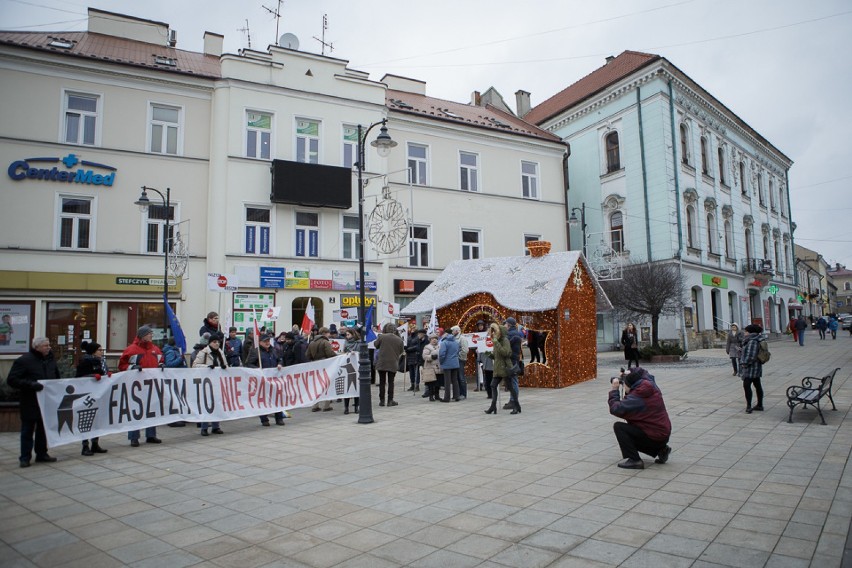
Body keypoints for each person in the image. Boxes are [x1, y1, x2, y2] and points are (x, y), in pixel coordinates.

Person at [8, 337, 59, 467]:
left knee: (43, 429)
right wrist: (31, 384)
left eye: (49, 345)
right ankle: (25, 457)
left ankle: (42, 454)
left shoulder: (50, 360)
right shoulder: (24, 361)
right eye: (45, 346)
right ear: (37, 347)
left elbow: (57, 377)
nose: (48, 347)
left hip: (46, 400)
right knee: (27, 430)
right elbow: (12, 380)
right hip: (30, 401)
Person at [608, 367, 672, 469]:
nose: (624, 386)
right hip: (662, 434)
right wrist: (629, 372)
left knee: (619, 427)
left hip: (655, 436)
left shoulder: (638, 396)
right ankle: (661, 449)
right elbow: (642, 371)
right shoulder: (648, 383)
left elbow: (616, 409)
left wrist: (615, 390)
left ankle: (635, 460)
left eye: (624, 385)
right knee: (634, 426)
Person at [118, 326, 163, 447]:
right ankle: (134, 437)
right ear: (142, 335)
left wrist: (162, 365)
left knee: (151, 410)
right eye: (149, 334)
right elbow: (122, 365)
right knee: (135, 411)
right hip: (136, 386)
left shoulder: (155, 349)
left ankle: (151, 435)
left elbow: (161, 360)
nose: (151, 336)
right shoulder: (131, 350)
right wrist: (132, 367)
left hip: (152, 384)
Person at [75, 341, 109, 456]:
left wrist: (106, 375)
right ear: (93, 351)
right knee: (87, 420)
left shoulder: (99, 362)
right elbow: (79, 377)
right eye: (99, 350)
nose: (101, 352)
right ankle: (85, 445)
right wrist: (92, 376)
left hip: (97, 394)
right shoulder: (85, 362)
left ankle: (95, 443)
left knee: (97, 420)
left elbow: (101, 373)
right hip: (87, 396)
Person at [245, 333, 286, 426]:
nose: (267, 343)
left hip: (274, 379)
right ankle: (264, 419)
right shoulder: (256, 352)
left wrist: (280, 364)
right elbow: (248, 364)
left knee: (276, 398)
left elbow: (280, 359)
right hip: (262, 379)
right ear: (260, 342)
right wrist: (258, 370)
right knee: (263, 399)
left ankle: (279, 418)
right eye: (265, 341)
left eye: (268, 341)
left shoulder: (273, 350)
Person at [193, 332, 226, 436]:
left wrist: (225, 367)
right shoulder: (204, 352)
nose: (217, 344)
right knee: (207, 405)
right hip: (206, 382)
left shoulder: (220, 352)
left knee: (217, 404)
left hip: (217, 381)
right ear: (210, 343)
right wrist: (207, 367)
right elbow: (195, 365)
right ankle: (204, 427)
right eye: (214, 342)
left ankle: (216, 426)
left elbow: (224, 364)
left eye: (218, 342)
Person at [373, 323, 405, 407]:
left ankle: (382, 401)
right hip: (393, 362)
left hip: (382, 362)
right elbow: (401, 351)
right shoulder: (399, 339)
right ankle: (390, 400)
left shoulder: (382, 337)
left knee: (382, 382)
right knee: (391, 382)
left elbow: (376, 345)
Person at [307, 327, 337, 411]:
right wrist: (338, 357)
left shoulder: (312, 342)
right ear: (324, 333)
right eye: (328, 333)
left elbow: (307, 355)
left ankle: (315, 405)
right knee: (327, 384)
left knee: (316, 385)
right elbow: (330, 353)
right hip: (325, 365)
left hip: (315, 365)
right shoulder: (325, 342)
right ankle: (326, 405)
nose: (329, 334)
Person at [485, 323, 512, 414]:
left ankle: (517, 405)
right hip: (498, 368)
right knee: (493, 385)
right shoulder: (497, 341)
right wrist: (490, 355)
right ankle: (493, 406)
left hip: (505, 367)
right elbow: (497, 356)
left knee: (511, 387)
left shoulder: (505, 340)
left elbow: (506, 353)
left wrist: (497, 343)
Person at [739, 324, 765, 413]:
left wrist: (744, 364)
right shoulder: (755, 339)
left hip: (751, 368)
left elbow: (751, 355)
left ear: (750, 332)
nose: (744, 333)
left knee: (746, 385)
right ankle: (760, 404)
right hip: (756, 367)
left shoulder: (752, 341)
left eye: (746, 331)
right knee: (757, 385)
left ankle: (749, 406)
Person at [504, 317, 523, 414]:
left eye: (505, 324)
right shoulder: (515, 333)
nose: (504, 326)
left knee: (513, 381)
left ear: (509, 325)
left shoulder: (510, 334)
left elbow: (506, 348)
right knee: (512, 381)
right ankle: (512, 400)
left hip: (512, 360)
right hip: (514, 359)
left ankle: (514, 402)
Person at [438, 328, 461, 403]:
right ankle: (456, 396)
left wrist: (441, 362)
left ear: (446, 334)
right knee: (455, 380)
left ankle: (446, 398)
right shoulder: (456, 342)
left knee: (447, 381)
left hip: (447, 363)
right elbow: (457, 352)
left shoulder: (444, 342)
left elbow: (442, 354)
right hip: (455, 363)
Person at [342, 327, 361, 415]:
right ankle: (346, 408)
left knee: (356, 388)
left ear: (353, 334)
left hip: (356, 369)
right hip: (348, 370)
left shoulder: (359, 343)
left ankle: (356, 407)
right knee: (347, 389)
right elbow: (343, 352)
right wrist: (345, 354)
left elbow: (362, 354)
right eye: (346, 335)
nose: (347, 336)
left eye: (348, 334)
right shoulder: (346, 343)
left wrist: (355, 353)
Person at [420, 334, 441, 401]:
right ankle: (431, 396)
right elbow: (424, 356)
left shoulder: (439, 346)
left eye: (435, 338)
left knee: (438, 383)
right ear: (430, 340)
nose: (434, 340)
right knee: (431, 383)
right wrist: (431, 357)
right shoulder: (427, 347)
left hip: (438, 367)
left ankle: (437, 395)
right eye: (432, 339)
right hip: (430, 368)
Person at [451, 326, 470, 400]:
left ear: (457, 331)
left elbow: (465, 350)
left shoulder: (462, 338)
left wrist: (458, 356)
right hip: (455, 360)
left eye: (453, 331)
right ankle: (458, 393)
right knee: (457, 377)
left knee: (461, 377)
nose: (452, 332)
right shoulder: (454, 339)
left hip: (460, 359)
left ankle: (463, 393)